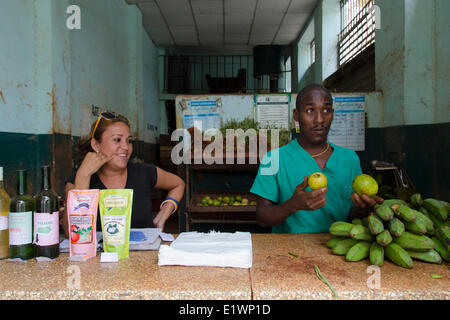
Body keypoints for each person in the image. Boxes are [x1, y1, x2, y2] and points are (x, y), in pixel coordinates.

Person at [250, 84, 383, 233]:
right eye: (310, 110)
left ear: (332, 114)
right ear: (296, 115)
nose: (319, 119)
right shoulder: (273, 159)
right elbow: (262, 217)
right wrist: (293, 205)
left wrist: (363, 209)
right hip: (289, 251)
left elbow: (350, 215)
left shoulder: (350, 159)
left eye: (326, 110)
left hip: (339, 249)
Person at [62, 111, 185, 236]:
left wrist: (164, 212)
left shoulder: (144, 172)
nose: (126, 147)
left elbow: (178, 184)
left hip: (146, 254)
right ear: (95, 145)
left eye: (128, 140)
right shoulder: (78, 181)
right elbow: (73, 234)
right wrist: (83, 175)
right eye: (117, 139)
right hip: (101, 256)